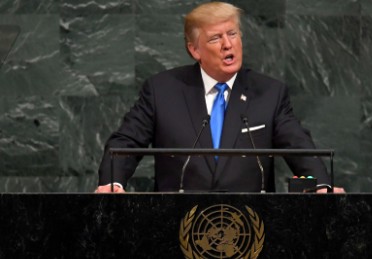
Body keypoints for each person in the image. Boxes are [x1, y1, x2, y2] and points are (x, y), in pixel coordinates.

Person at [96, 2, 344, 193]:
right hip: (176, 226)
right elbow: (125, 143)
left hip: (251, 228)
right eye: (216, 38)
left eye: (233, 34)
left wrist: (322, 185)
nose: (228, 44)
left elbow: (298, 146)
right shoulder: (162, 90)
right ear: (194, 50)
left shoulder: (269, 93)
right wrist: (111, 182)